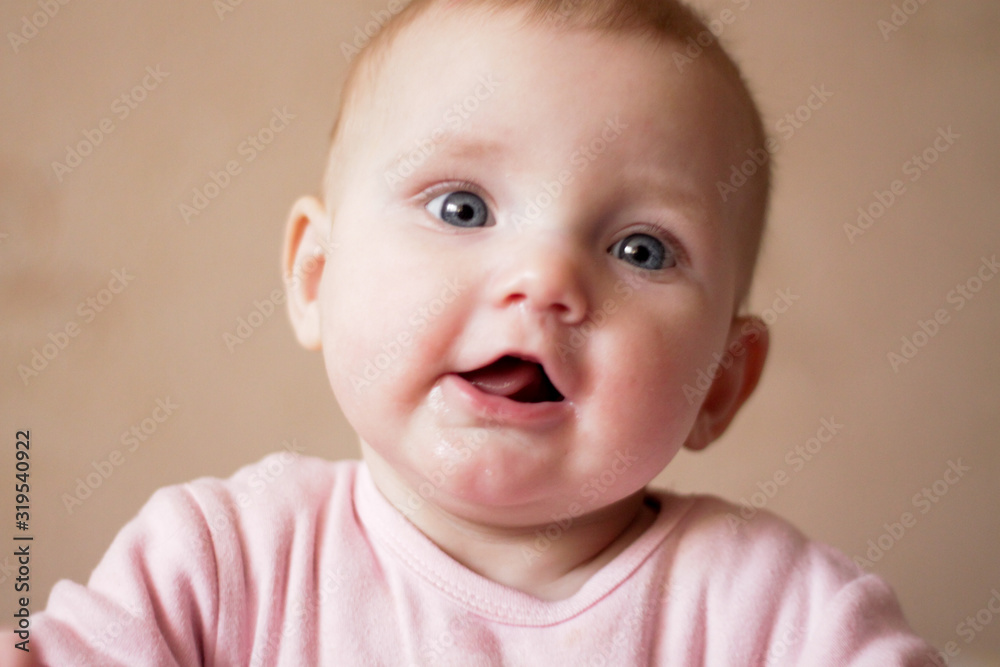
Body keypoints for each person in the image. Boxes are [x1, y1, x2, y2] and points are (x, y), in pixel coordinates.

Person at [10, 0, 939, 664]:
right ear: (315, 277)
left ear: (722, 382)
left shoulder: (778, 613)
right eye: (462, 206)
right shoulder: (221, 565)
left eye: (643, 248)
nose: (546, 279)